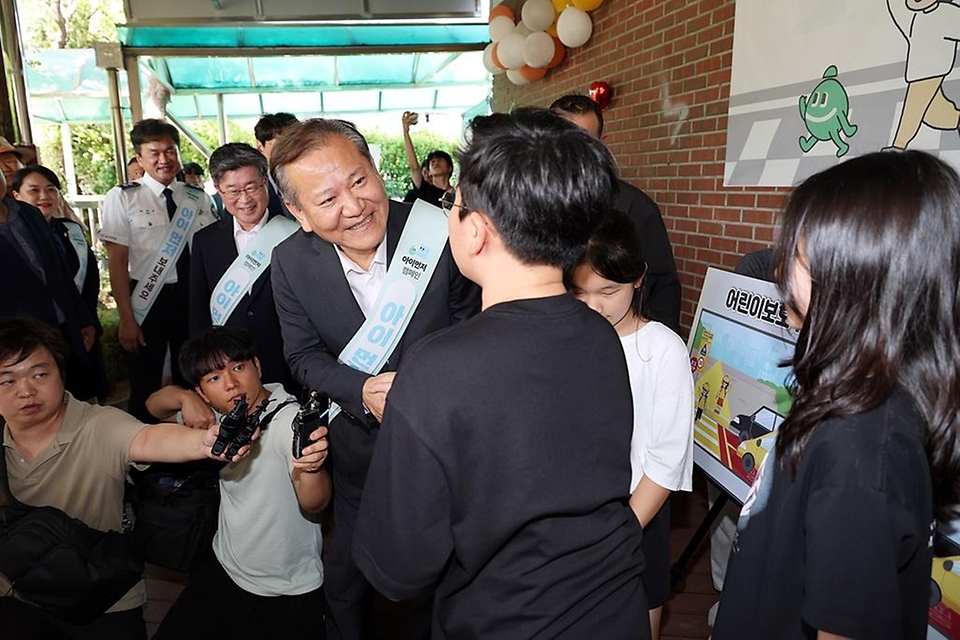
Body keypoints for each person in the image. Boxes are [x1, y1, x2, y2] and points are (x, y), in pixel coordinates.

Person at [353, 108, 649, 638]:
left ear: (478, 232)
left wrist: (407, 423)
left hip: (507, 621)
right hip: (614, 608)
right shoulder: (602, 334)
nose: (450, 212)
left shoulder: (439, 367)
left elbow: (397, 566)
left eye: (454, 203)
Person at [713, 150, 960, 639]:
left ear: (860, 278)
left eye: (799, 258)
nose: (780, 271)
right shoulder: (846, 393)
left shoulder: (860, 447)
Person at [270, 117, 480, 640]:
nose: (355, 206)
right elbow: (301, 356)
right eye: (327, 199)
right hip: (357, 447)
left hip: (444, 446)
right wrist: (358, 389)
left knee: (436, 579)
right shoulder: (290, 262)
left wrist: (431, 392)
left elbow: (474, 327)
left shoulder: (437, 231)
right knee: (347, 576)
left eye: (360, 180)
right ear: (298, 213)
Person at [0, 317, 254, 639]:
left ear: (61, 373)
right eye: (7, 381)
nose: (26, 390)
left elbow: (147, 439)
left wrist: (204, 442)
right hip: (19, 598)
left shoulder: (98, 425)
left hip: (103, 601)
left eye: (39, 374)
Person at [147, 326, 329, 639]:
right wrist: (183, 397)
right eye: (214, 378)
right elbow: (153, 407)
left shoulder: (289, 421)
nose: (231, 384)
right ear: (203, 391)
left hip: (286, 586)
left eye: (238, 367)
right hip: (226, 565)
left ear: (257, 365)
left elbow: (315, 502)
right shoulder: (216, 418)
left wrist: (312, 466)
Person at [567, 208, 694, 640]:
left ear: (639, 277)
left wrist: (618, 533)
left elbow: (666, 459)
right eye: (580, 293)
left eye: (609, 290)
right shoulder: (568, 338)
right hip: (573, 520)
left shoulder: (662, 349)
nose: (594, 306)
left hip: (637, 517)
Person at [100, 119, 215, 422]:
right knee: (146, 378)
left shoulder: (197, 198)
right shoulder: (122, 197)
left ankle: (194, 447)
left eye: (170, 151)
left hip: (191, 297)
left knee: (193, 374)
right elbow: (116, 261)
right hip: (146, 298)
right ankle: (144, 453)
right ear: (139, 158)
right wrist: (126, 317)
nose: (164, 159)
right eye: (154, 153)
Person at [551, 93, 682, 334]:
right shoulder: (528, 207)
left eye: (585, 143)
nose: (573, 153)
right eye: (563, 142)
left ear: (602, 145)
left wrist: (652, 351)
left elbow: (663, 288)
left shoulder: (635, 206)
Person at [189, 143, 298, 392]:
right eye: (233, 191)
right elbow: (198, 314)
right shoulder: (205, 241)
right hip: (230, 374)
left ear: (265, 181)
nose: (245, 199)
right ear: (218, 190)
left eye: (252, 187)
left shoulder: (295, 234)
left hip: (287, 364)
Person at [0, 168, 99, 401]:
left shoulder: (29, 213)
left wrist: (83, 318)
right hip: (15, 343)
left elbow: (60, 272)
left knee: (76, 403)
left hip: (62, 329)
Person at [401, 111, 453, 206]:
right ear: (428, 172)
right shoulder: (424, 189)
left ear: (450, 168)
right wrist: (406, 132)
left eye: (440, 159)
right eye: (432, 161)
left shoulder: (457, 195)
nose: (435, 162)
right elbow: (414, 167)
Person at [254, 112, 299, 219]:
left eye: (294, 143)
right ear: (261, 147)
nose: (288, 150)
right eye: (280, 144)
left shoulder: (314, 179)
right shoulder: (253, 187)